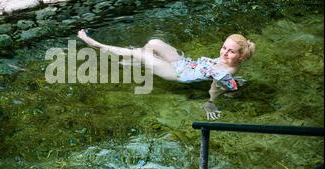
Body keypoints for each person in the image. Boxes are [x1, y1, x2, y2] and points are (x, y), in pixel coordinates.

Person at [77, 29, 255, 120]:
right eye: (224, 47)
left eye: (231, 51)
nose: (224, 53)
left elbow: (215, 89)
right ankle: (140, 64)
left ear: (240, 57)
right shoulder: (229, 63)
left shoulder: (224, 71)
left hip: (177, 74)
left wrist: (210, 104)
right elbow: (228, 82)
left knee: (140, 53)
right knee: (153, 43)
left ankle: (95, 44)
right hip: (185, 64)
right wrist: (235, 85)